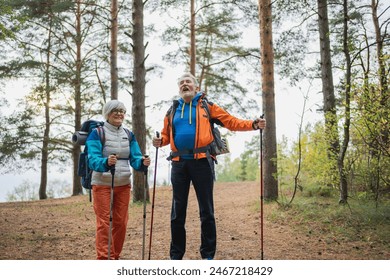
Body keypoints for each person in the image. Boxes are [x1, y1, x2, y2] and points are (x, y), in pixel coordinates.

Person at [152, 73, 266, 260]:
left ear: (196, 87)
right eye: (181, 83)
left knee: (206, 211)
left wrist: (253, 125)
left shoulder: (207, 106)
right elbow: (165, 136)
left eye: (188, 82)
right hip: (178, 164)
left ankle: (207, 256)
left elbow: (231, 121)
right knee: (177, 212)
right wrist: (159, 141)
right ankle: (175, 257)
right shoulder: (172, 110)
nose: (184, 85)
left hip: (202, 162)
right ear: (178, 88)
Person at [86, 100, 151, 260]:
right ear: (107, 113)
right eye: (115, 111)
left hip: (123, 185)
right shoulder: (97, 133)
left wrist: (142, 162)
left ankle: (114, 256)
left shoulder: (128, 134)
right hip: (102, 184)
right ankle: (104, 259)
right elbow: (92, 159)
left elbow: (135, 158)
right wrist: (105, 162)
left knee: (120, 223)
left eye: (122, 111)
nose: (119, 114)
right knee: (104, 223)